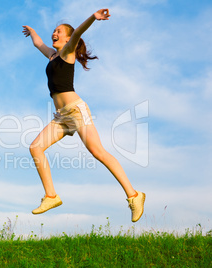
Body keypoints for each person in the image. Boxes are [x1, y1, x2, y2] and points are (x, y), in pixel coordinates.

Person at [22, 9, 145, 222]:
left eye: (58, 31)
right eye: (54, 31)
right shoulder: (52, 55)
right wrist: (32, 31)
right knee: (35, 147)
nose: (55, 33)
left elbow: (78, 31)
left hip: (76, 111)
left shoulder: (68, 52)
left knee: (98, 152)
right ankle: (51, 196)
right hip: (62, 116)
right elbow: (37, 43)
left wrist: (93, 18)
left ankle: (134, 196)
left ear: (68, 39)